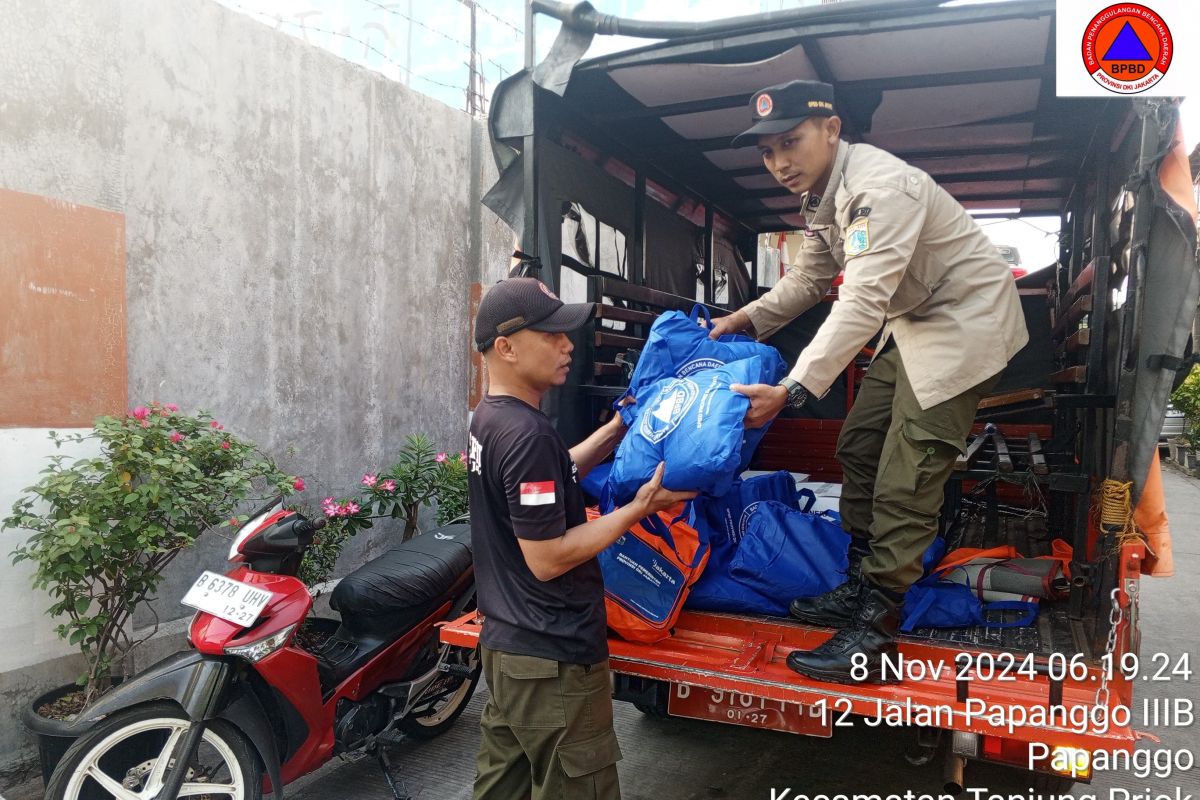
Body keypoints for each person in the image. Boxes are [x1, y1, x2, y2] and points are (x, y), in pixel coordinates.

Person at [707, 80, 1028, 684]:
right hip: (913, 322)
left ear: (832, 131)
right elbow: (806, 283)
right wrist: (741, 319)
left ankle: (876, 632)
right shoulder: (826, 199)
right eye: (768, 152)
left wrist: (792, 390)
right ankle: (858, 586)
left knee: (909, 471)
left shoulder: (881, 188)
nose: (779, 163)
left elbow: (859, 303)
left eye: (790, 142)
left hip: (964, 322)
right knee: (859, 446)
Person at [468, 277, 696, 799]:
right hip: (553, 659)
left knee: (502, 789)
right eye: (551, 334)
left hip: (509, 651)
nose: (568, 344)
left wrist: (614, 430)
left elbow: (551, 478)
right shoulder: (527, 436)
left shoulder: (493, 419)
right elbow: (548, 558)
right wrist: (637, 510)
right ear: (506, 346)